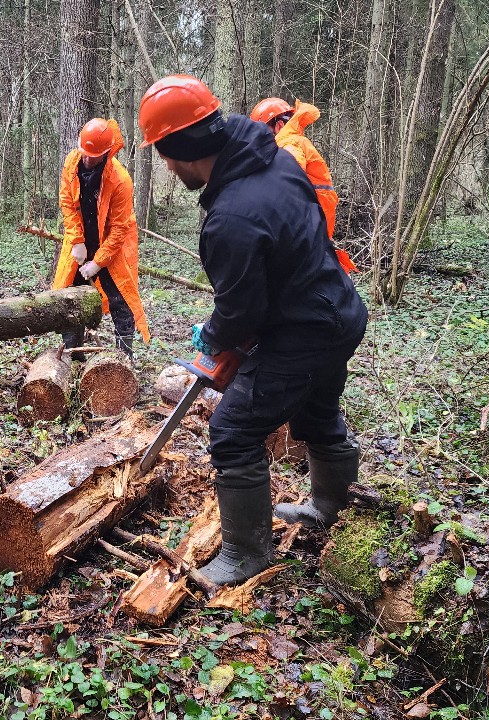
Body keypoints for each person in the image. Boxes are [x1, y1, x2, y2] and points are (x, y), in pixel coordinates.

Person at [138, 75, 368, 585]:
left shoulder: (232, 218)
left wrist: (217, 335)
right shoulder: (277, 161)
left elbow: (242, 311)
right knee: (316, 413)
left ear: (180, 146)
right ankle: (330, 507)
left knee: (233, 431)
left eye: (165, 156)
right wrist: (230, 329)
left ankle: (246, 552)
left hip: (307, 329)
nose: (169, 167)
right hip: (340, 310)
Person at [53, 118, 150, 360]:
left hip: (110, 244)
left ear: (106, 153)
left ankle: (124, 358)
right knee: (71, 298)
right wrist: (77, 240)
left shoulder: (120, 180)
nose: (87, 159)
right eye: (84, 153)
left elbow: (119, 229)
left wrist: (98, 262)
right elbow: (67, 203)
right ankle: (73, 356)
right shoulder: (71, 163)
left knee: (122, 299)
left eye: (93, 156)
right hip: (81, 241)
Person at [250, 97, 357, 273]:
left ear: (279, 126)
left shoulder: (289, 144)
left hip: (306, 229)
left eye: (263, 133)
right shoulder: (294, 141)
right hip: (311, 227)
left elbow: (287, 179)